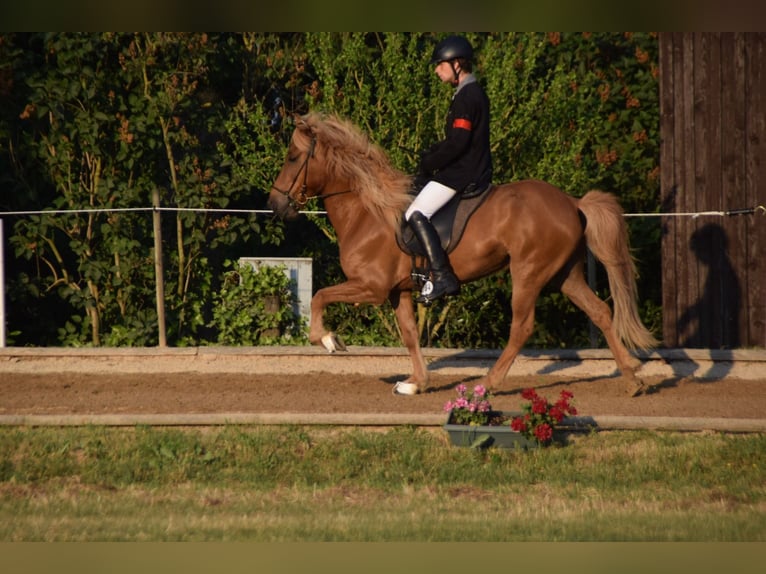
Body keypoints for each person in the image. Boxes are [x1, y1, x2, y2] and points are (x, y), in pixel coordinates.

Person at [406, 34, 492, 305]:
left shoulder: (468, 96)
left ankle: (442, 275)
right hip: (465, 166)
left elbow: (458, 143)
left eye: (440, 64)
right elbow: (456, 140)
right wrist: (433, 153)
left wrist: (429, 163)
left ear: (457, 63)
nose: (436, 69)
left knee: (415, 212)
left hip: (464, 172)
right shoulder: (467, 93)